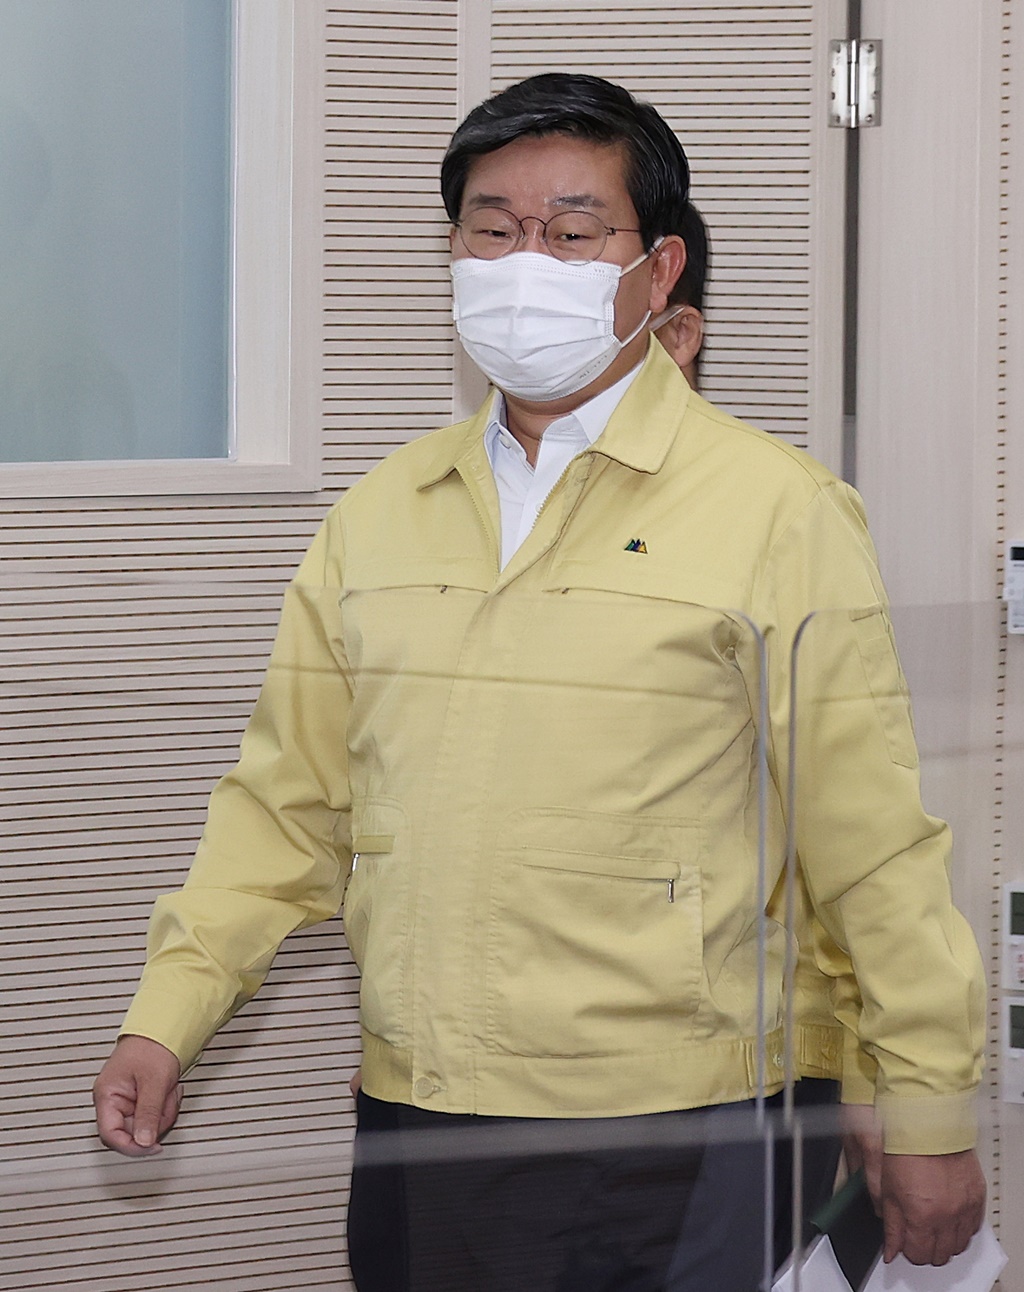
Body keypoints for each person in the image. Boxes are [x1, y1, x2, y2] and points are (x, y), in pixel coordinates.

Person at [94, 74, 986, 1291]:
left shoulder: (774, 511)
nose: (527, 259)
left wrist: (923, 1102)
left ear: (658, 269)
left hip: (672, 1121)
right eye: (491, 227)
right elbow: (282, 804)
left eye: (572, 232)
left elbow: (869, 843)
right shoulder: (380, 516)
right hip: (418, 1108)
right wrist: (168, 1011)